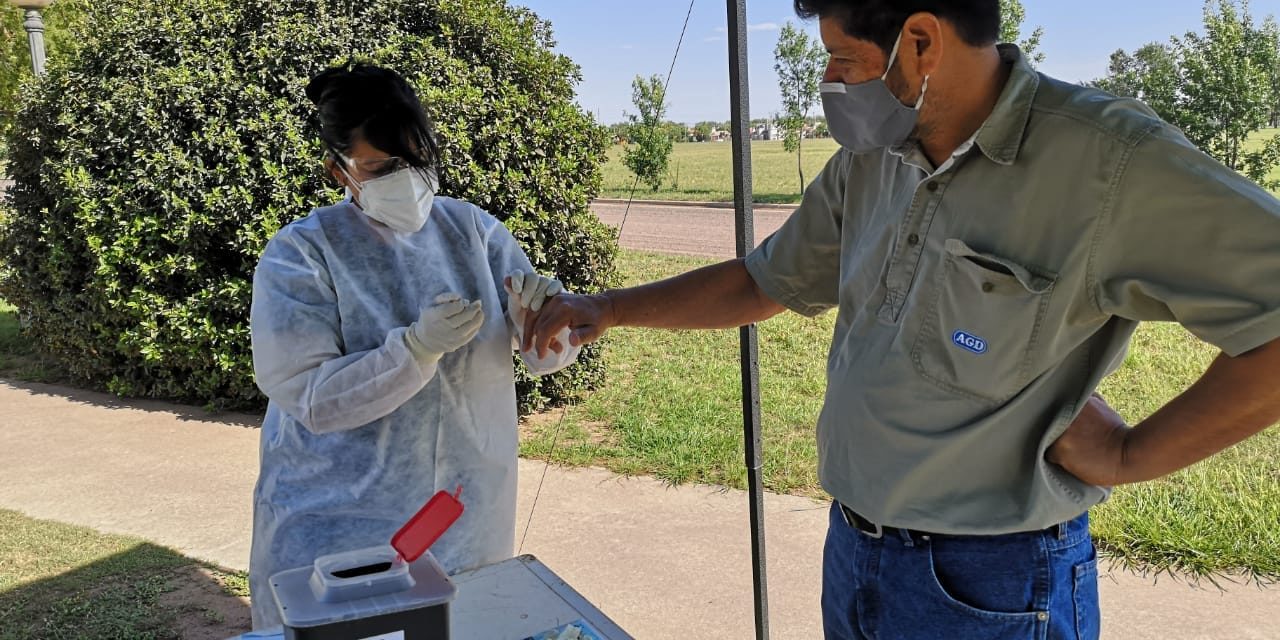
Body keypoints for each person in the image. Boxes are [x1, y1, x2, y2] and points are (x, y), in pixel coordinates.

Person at [525, 2, 1280, 638]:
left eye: (842, 57)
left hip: (995, 585)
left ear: (920, 42)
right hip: (856, 550)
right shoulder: (874, 157)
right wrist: (609, 309)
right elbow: (766, 280)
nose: (828, 80)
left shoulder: (1108, 164)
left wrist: (1131, 456)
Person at [247, 63, 578, 629]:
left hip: (467, 514)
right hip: (338, 529)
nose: (408, 178)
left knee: (462, 624)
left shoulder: (473, 231)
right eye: (382, 167)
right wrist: (415, 351)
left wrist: (541, 319)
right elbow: (313, 399)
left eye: (417, 160)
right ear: (338, 171)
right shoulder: (302, 253)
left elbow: (546, 354)